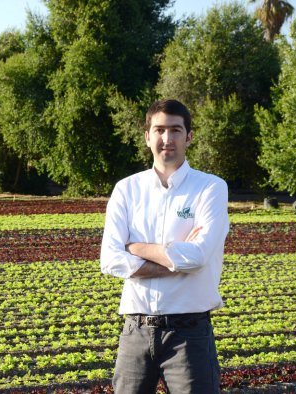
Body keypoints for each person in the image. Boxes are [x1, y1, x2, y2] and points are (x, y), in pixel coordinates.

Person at [100, 99, 229, 393]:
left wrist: (136, 247)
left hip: (189, 332)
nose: (166, 139)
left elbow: (197, 257)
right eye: (159, 130)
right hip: (136, 329)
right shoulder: (127, 189)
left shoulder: (210, 188)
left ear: (189, 137)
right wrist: (175, 260)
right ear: (147, 137)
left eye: (175, 130)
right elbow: (109, 260)